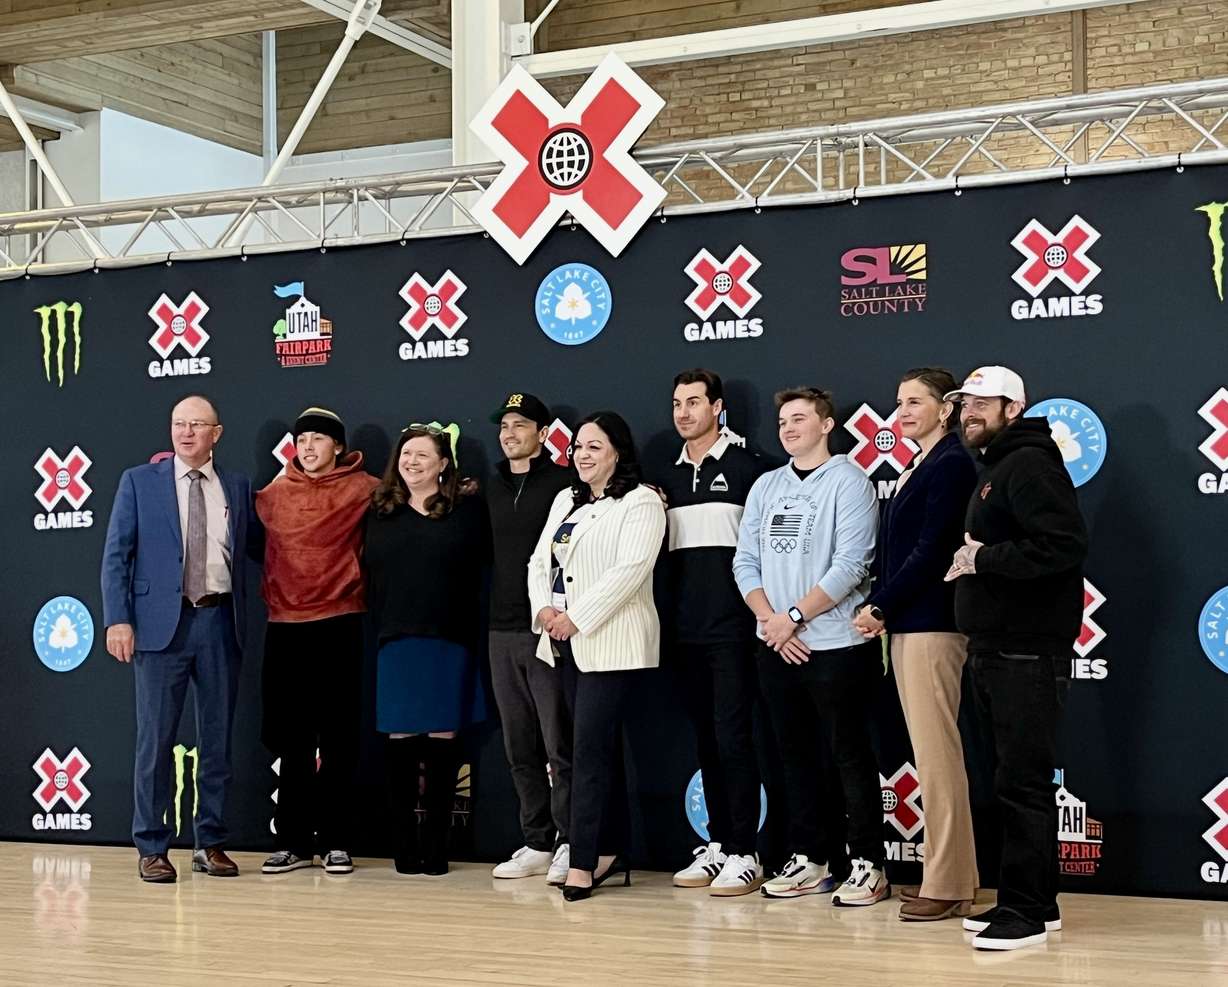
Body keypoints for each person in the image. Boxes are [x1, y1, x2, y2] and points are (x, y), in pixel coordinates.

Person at [941, 366, 1087, 951]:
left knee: (1022, 785)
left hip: (1027, 650)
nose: (968, 412)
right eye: (963, 403)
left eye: (981, 403)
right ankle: (1033, 901)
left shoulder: (1028, 463)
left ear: (1012, 407)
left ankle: (1024, 912)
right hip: (997, 648)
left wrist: (984, 560)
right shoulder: (998, 467)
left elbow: (1064, 546)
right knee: (1010, 783)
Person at [733, 387, 889, 906]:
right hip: (777, 646)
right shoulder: (766, 486)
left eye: (799, 418)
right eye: (782, 421)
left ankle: (868, 863)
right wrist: (771, 622)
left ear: (826, 425)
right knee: (792, 756)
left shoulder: (849, 482)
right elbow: (744, 562)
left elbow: (851, 564)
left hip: (836, 646)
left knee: (849, 756)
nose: (788, 428)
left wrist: (795, 617)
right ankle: (810, 856)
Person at [100, 394, 260, 883]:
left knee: (216, 741)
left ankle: (210, 842)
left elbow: (259, 552)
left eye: (197, 425)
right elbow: (116, 556)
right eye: (178, 424)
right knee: (156, 741)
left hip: (218, 621)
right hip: (157, 626)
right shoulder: (137, 482)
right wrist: (117, 619)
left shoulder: (237, 486)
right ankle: (151, 846)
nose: (186, 432)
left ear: (217, 433)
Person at [852, 369, 980, 921]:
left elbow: (931, 552)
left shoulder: (950, 464)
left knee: (937, 755)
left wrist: (881, 604)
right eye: (898, 401)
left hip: (931, 623)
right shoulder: (921, 464)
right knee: (932, 755)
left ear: (945, 409)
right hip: (913, 624)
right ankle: (951, 875)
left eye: (914, 402)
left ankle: (949, 882)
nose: (900, 411)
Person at [527, 412, 667, 902]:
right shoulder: (565, 499)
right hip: (563, 643)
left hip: (612, 643)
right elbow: (538, 560)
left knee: (588, 750)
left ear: (617, 452)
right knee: (588, 748)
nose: (582, 455)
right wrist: (543, 608)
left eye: (594, 447)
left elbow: (630, 571)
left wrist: (577, 617)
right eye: (578, 447)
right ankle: (610, 848)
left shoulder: (641, 501)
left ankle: (582, 860)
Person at [255, 407, 379, 877]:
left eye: (318, 439)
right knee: (292, 739)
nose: (307, 447)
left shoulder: (364, 489)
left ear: (339, 447)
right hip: (284, 625)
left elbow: (414, 504)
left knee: (340, 737)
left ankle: (336, 842)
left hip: (340, 622)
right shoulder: (271, 496)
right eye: (301, 439)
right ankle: (291, 842)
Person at [365, 424, 491, 876]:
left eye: (423, 455)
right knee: (400, 748)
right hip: (396, 641)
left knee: (442, 748)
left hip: (449, 640)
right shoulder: (379, 511)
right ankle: (403, 849)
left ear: (443, 464)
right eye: (405, 454)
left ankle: (436, 850)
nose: (412, 461)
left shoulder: (468, 510)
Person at [660, 369, 768, 896]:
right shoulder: (665, 480)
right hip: (684, 633)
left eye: (695, 402)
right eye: (678, 404)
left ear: (718, 407)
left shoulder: (753, 470)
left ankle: (746, 851)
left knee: (734, 739)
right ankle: (721, 845)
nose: (684, 412)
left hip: (735, 631)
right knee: (705, 742)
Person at [486, 392, 575, 885]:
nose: (509, 432)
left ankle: (568, 839)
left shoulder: (565, 484)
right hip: (500, 630)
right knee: (520, 746)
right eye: (504, 425)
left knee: (559, 743)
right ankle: (536, 840)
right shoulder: (490, 486)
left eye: (520, 425)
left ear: (543, 433)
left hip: (548, 628)